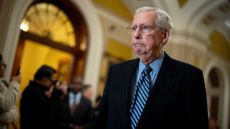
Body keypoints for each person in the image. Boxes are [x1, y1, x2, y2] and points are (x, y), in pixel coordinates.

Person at [91, 6, 209, 129]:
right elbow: (101, 121)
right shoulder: (116, 72)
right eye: (133, 28)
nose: (136, 35)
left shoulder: (190, 78)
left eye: (145, 28)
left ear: (165, 35)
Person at [20, 65, 64, 129]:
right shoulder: (32, 92)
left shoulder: (38, 90)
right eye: (54, 81)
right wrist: (55, 95)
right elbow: (50, 113)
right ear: (44, 79)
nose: (54, 84)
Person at [0, 54, 21, 129]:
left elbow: (15, 112)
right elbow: (6, 105)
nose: (5, 68)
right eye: (4, 65)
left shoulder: (3, 84)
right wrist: (15, 83)